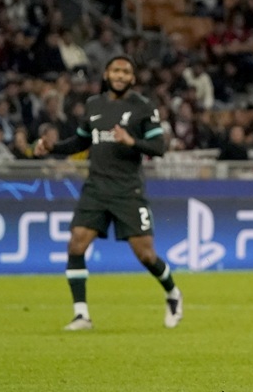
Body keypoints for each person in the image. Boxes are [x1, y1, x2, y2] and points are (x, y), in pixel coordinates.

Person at [33, 56, 181, 331]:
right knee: (76, 243)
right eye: (116, 70)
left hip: (128, 189)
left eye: (126, 71)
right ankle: (81, 315)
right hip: (96, 187)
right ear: (106, 74)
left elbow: (159, 147)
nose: (120, 75)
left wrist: (132, 141)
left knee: (146, 255)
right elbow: (80, 141)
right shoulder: (93, 105)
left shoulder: (143, 107)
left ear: (133, 78)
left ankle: (172, 293)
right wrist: (51, 148)